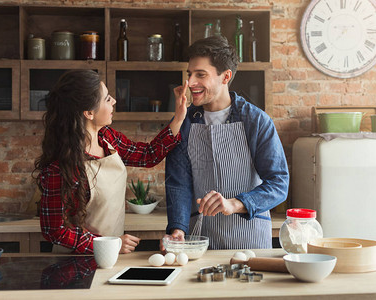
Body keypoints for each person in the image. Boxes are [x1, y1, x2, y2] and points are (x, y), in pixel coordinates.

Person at [34, 69, 187, 254]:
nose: (114, 101)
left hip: (111, 257)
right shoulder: (61, 167)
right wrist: (108, 244)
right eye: (107, 99)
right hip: (76, 264)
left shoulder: (107, 138)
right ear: (89, 112)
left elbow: (147, 155)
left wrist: (178, 117)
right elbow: (55, 230)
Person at [163, 36, 289, 250]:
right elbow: (178, 183)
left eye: (200, 75)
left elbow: (278, 183)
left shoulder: (256, 121)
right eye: (190, 74)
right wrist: (178, 229)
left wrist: (235, 203)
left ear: (225, 77)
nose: (191, 82)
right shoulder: (183, 123)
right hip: (200, 240)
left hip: (250, 240)